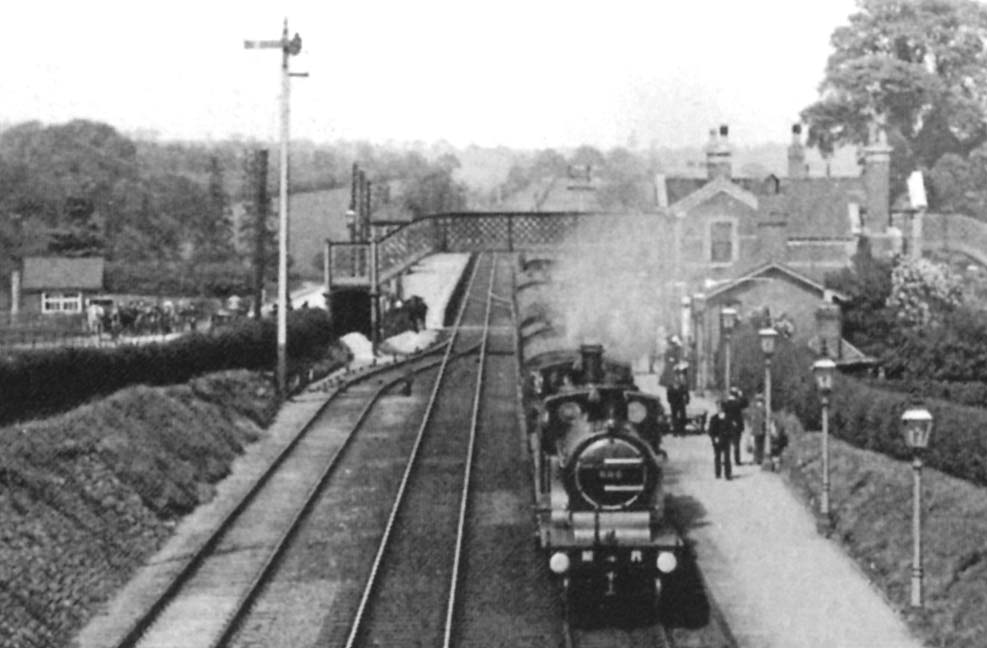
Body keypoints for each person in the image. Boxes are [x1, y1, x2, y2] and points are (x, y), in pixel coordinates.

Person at [723, 387, 749, 465]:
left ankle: (726, 460)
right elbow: (746, 404)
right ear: (736, 394)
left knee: (727, 444)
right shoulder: (738, 403)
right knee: (736, 444)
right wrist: (741, 396)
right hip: (737, 426)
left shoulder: (726, 403)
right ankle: (737, 460)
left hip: (727, 425)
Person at [707, 400, 732, 480]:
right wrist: (714, 438)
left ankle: (728, 474)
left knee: (727, 457)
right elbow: (710, 430)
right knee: (717, 457)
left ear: (723, 408)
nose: (718, 408)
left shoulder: (728, 417)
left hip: (726, 440)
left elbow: (731, 429)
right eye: (717, 407)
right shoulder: (714, 418)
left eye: (720, 407)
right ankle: (718, 473)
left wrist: (729, 437)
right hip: (717, 440)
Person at [666, 371, 690, 437]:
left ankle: (682, 431)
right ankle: (675, 431)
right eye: (675, 377)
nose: (677, 379)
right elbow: (668, 394)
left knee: (682, 417)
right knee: (674, 417)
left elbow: (686, 393)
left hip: (681, 403)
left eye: (678, 377)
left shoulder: (682, 386)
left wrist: (687, 401)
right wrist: (670, 401)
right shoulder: (671, 386)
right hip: (673, 403)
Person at [748, 393, 766, 465]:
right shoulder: (764, 408)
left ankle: (756, 459)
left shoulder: (754, 408)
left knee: (756, 444)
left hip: (755, 428)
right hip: (762, 428)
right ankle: (760, 459)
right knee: (761, 445)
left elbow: (751, 418)